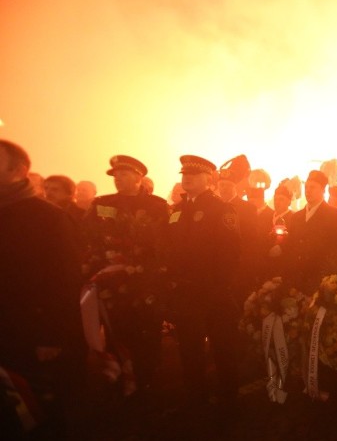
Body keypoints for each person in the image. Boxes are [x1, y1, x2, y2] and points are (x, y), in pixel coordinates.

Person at [1, 140, 85, 441]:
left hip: (34, 340)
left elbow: (63, 283)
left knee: (41, 422)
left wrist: (51, 337)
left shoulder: (47, 217)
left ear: (18, 170)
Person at [82, 155, 170, 392]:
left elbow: (165, 246)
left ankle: (149, 378)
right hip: (112, 282)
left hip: (146, 283)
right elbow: (89, 239)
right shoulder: (102, 203)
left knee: (148, 331)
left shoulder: (158, 206)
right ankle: (120, 377)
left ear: (139, 177)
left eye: (124, 174)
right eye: (115, 175)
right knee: (117, 331)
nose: (118, 179)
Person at [165, 155, 241, 408]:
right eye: (184, 174)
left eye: (194, 175)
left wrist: (218, 287)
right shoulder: (177, 210)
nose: (187, 178)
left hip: (213, 293)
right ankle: (195, 400)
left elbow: (230, 253)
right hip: (186, 293)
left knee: (222, 350)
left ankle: (228, 400)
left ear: (209, 180)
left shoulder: (221, 209)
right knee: (190, 350)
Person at [280, 169, 337, 293]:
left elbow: (335, 249)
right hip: (295, 281)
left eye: (312, 187)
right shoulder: (296, 217)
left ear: (323, 190)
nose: (308, 191)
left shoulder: (334, 215)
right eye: (306, 187)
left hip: (319, 281)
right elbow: (291, 247)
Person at [218, 155, 260, 300]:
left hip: (238, 270)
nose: (224, 189)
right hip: (215, 270)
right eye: (221, 185)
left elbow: (251, 242)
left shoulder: (247, 208)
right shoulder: (212, 206)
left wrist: (244, 272)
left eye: (227, 185)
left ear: (235, 186)